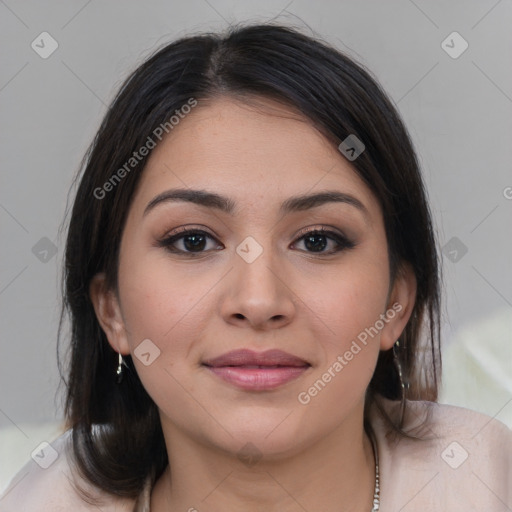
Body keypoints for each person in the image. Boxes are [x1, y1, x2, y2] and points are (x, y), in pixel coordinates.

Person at [1, 21, 510, 512]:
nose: (258, 301)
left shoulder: (489, 484)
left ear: (396, 302)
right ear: (111, 309)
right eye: (193, 241)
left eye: (318, 241)